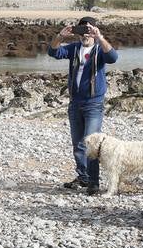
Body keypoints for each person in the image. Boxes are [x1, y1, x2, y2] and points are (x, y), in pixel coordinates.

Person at [47, 16, 119, 193]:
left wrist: (100, 37)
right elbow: (53, 52)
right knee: (78, 144)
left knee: (91, 143)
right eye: (82, 30)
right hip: (75, 103)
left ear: (94, 31)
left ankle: (94, 182)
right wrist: (60, 36)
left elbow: (113, 57)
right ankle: (83, 177)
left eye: (89, 29)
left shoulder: (99, 50)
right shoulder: (74, 48)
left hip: (94, 103)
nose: (85, 33)